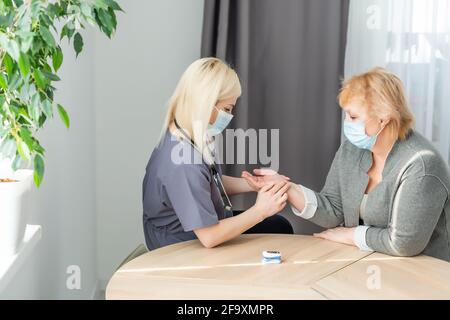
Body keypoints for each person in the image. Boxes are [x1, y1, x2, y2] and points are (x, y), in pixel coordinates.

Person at [243, 67, 450, 261]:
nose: (347, 124)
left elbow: (404, 243)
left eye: (353, 116)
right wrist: (287, 188)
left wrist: (351, 235)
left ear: (383, 118)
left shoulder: (421, 164)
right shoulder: (352, 150)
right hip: (368, 262)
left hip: (423, 273)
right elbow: (334, 211)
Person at [142, 57, 293, 251]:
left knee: (278, 226)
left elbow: (206, 182)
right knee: (276, 230)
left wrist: (253, 185)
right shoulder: (182, 163)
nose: (229, 117)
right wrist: (260, 211)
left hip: (201, 229)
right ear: (204, 103)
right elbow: (210, 237)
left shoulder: (184, 133)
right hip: (184, 247)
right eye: (226, 109)